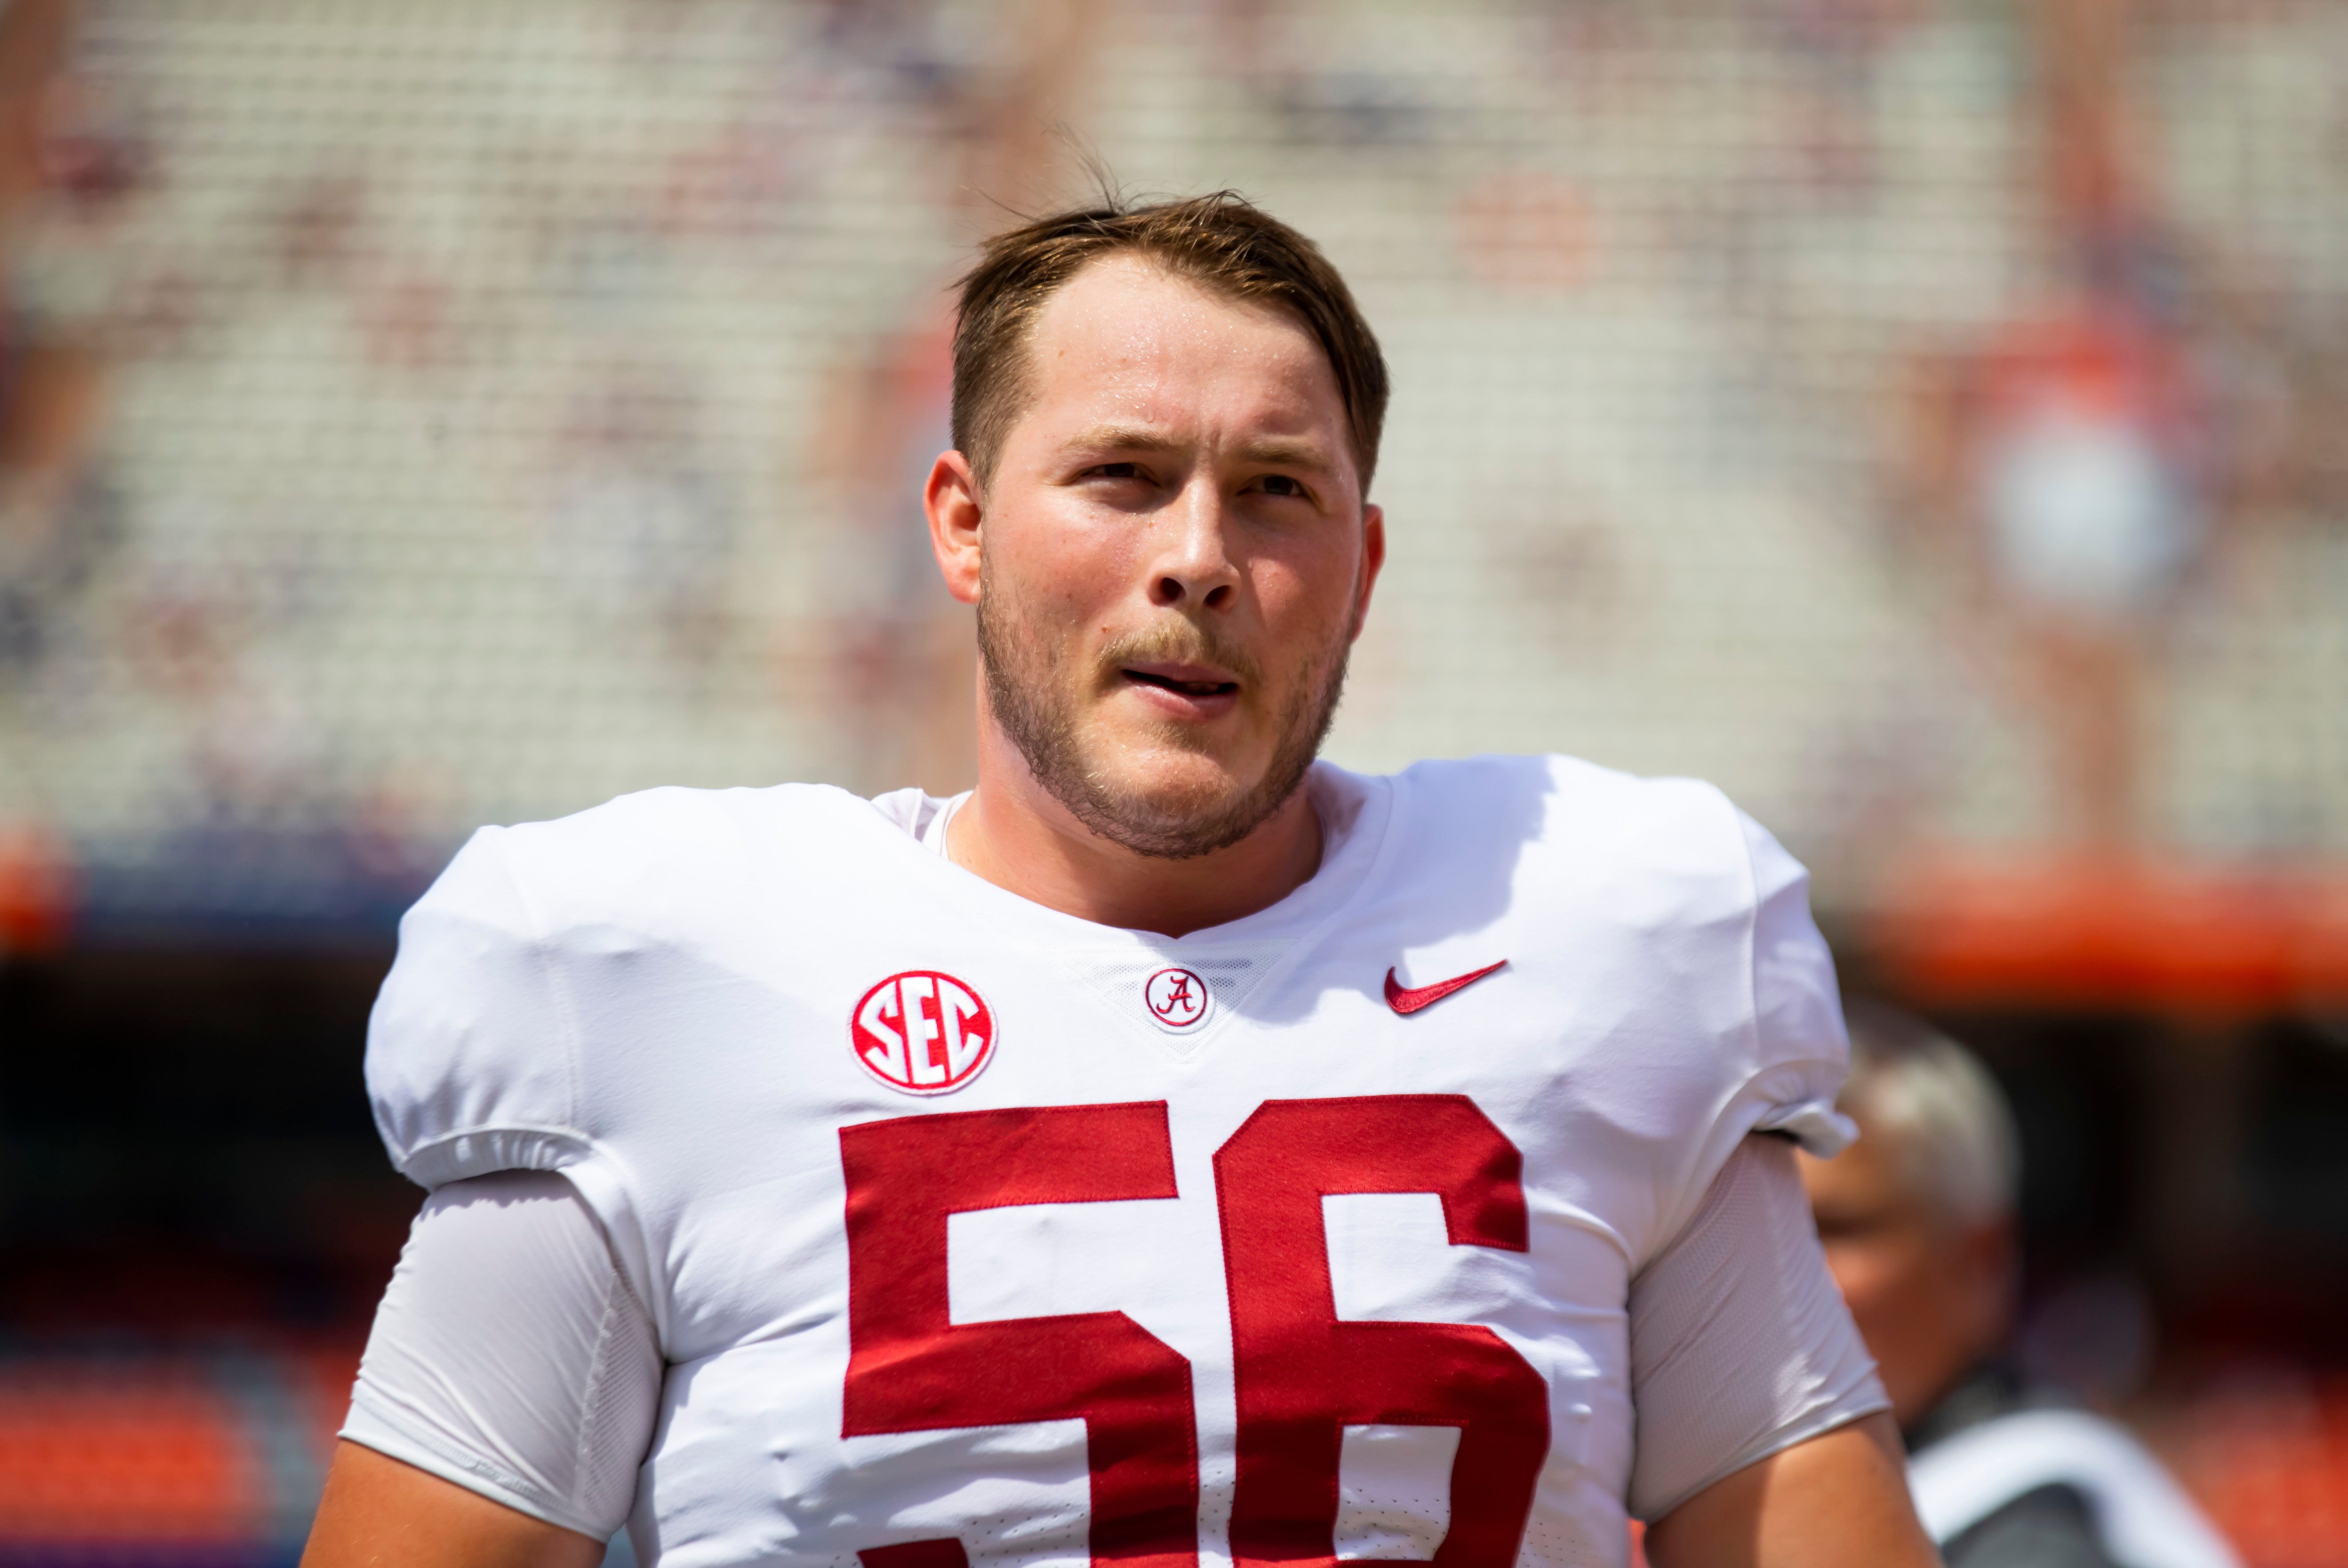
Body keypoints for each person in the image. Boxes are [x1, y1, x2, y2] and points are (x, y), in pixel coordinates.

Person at [301, 193, 1936, 1568]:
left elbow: (1793, 1517)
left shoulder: (1604, 935)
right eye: (1122, 474)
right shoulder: (641, 977)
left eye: (1276, 489)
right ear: (963, 528)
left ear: (1362, 569)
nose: (1199, 554)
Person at [1798, 1004, 2238, 1568]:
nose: (1785, 1276)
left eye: (1835, 1229)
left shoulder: (2035, 1533)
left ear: (1977, 1257)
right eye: (1761, 1238)